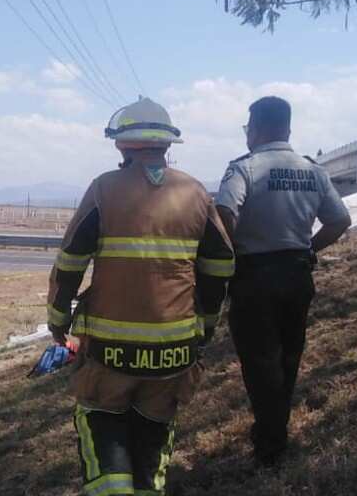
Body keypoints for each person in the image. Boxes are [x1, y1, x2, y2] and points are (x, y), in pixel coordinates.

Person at [47, 97, 235, 495]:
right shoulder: (197, 193)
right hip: (173, 356)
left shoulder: (103, 189)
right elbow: (219, 267)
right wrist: (205, 328)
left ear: (121, 145)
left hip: (109, 356)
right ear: (167, 146)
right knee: (153, 451)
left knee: (102, 431)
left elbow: (70, 263)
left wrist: (58, 320)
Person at [216, 96, 352, 467]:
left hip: (254, 277)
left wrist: (229, 251)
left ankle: (271, 443)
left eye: (248, 128)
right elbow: (340, 221)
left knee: (259, 362)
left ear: (256, 128)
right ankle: (274, 430)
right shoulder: (313, 170)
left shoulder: (244, 169)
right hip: (297, 274)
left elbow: (224, 211)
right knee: (288, 357)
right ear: (288, 128)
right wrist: (309, 247)